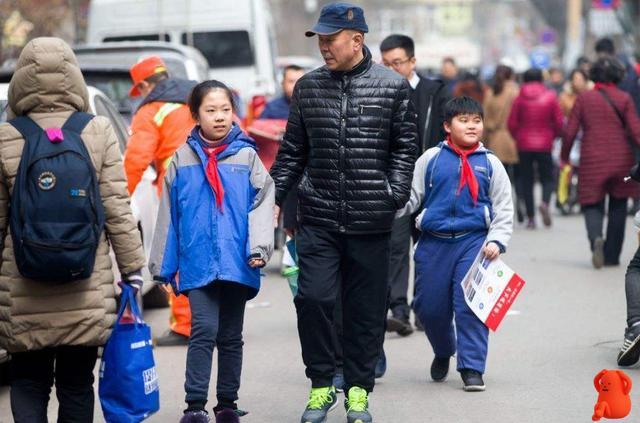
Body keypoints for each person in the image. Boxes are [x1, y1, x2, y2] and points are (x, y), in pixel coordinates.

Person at [270, 3, 417, 423]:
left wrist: (393, 194)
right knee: (313, 298)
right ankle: (321, 385)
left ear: (357, 39)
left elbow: (405, 149)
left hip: (372, 221)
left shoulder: (392, 87)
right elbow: (292, 152)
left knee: (366, 312)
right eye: (319, 39)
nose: (323, 47)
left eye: (330, 39)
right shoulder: (308, 88)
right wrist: (272, 200)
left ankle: (357, 391)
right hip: (317, 217)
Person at [0, 37, 145, 422]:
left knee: (29, 383)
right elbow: (118, 208)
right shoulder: (96, 130)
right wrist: (133, 269)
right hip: (86, 284)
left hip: (23, 288)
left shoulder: (6, 136)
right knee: (76, 385)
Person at [149, 80, 274, 423]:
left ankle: (227, 404)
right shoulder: (182, 159)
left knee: (231, 335)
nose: (219, 117)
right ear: (195, 115)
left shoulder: (247, 156)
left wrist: (260, 248)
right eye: (211, 110)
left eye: (225, 110)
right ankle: (194, 407)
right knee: (203, 330)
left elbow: (263, 204)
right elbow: (169, 215)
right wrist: (163, 264)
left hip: (238, 260)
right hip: (197, 259)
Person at [398, 96, 513, 392]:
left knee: (470, 307)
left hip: (473, 243)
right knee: (429, 309)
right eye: (464, 120)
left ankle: (472, 367)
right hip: (433, 243)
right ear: (447, 126)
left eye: (476, 121)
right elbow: (411, 197)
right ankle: (443, 349)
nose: (472, 126)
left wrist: (497, 240)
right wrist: (386, 205)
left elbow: (503, 207)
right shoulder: (430, 159)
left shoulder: (490, 163)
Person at [125, 55, 198, 346]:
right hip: (216, 185)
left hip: (177, 189)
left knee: (178, 256)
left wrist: (116, 200)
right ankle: (217, 322)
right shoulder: (199, 96)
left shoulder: (150, 110)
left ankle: (186, 326)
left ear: (144, 85)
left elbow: (135, 161)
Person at [380, 33, 449, 336]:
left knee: (427, 249)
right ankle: (399, 310)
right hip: (394, 185)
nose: (391, 69)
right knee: (395, 248)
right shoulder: (377, 92)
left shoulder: (435, 93)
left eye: (397, 63)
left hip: (430, 186)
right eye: (385, 63)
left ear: (412, 62)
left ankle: (425, 308)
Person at [562, 57, 640, 269]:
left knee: (591, 203)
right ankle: (612, 255)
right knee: (618, 205)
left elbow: (570, 132)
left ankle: (596, 238)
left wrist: (564, 157)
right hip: (622, 160)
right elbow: (636, 131)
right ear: (618, 75)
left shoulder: (584, 99)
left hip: (592, 159)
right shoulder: (624, 98)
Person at [507, 68, 563, 229]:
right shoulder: (550, 97)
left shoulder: (519, 99)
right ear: (541, 79)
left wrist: (518, 137)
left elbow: (512, 122)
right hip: (545, 144)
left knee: (527, 181)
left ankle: (531, 218)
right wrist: (553, 136)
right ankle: (545, 203)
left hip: (523, 144)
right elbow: (558, 122)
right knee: (548, 178)